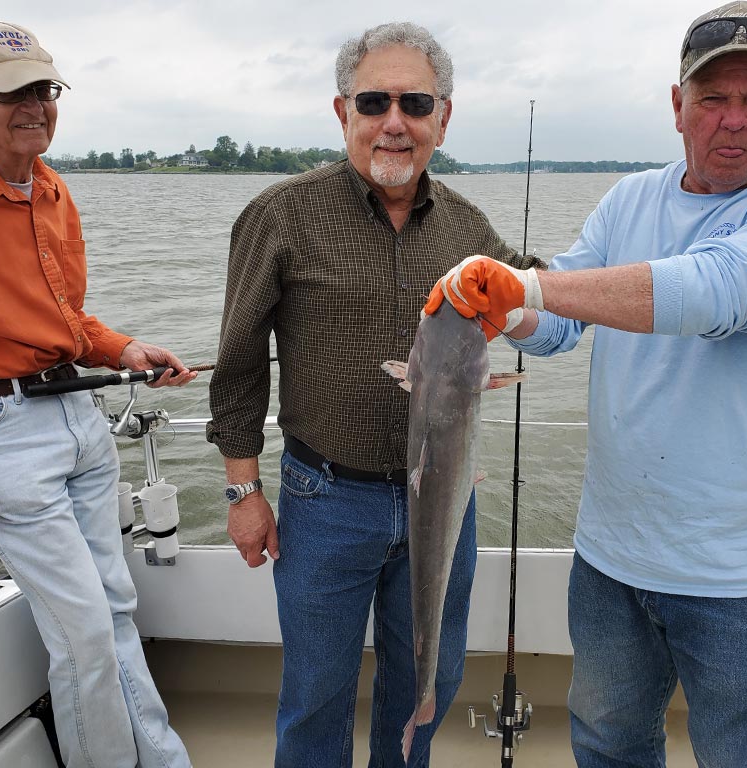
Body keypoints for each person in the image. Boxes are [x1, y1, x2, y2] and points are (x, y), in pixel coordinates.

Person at [426, 3, 747, 766]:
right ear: (677, 106)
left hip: (740, 579)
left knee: (741, 756)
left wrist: (528, 286)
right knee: (608, 744)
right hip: (611, 561)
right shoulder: (629, 200)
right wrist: (491, 306)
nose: (734, 119)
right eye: (713, 97)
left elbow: (714, 291)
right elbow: (554, 328)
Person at [207, 21, 543, 767]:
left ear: (443, 118)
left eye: (416, 103)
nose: (395, 122)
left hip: (447, 499)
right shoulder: (280, 215)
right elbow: (236, 366)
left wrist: (598, 289)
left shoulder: (469, 224)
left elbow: (538, 296)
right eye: (374, 101)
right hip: (325, 499)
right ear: (342, 113)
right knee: (317, 693)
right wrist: (243, 493)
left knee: (430, 680)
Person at [0, 21, 194, 768]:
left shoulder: (52, 188)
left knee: (116, 613)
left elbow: (61, 320)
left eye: (43, 88)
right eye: (10, 91)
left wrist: (122, 348)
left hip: (78, 422)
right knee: (84, 629)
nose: (34, 106)